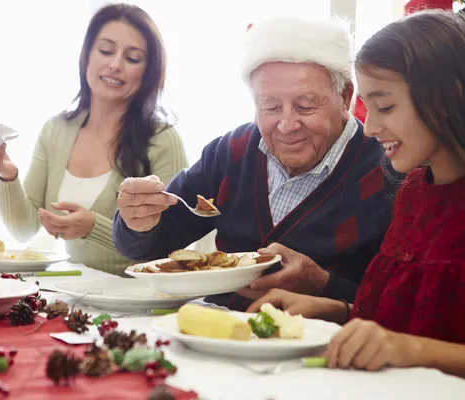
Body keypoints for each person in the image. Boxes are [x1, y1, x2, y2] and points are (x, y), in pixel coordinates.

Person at [248, 10, 465, 384]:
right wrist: (330, 310)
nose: (372, 127)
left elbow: (410, 342)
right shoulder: (412, 193)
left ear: (448, 97)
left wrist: (410, 349)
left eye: (386, 107)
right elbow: (394, 321)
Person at [112, 15, 401, 310]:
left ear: (345, 97)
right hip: (215, 331)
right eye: (270, 106)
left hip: (322, 346)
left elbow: (400, 308)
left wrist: (323, 285)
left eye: (305, 106)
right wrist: (138, 222)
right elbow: (148, 249)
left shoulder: (389, 173)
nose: (287, 124)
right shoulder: (230, 152)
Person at [0, 4, 187, 276]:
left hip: (141, 297)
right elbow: (25, 228)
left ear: (147, 72)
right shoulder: (56, 130)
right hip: (76, 290)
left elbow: (172, 246)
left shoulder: (162, 140)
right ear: (87, 54)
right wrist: (7, 175)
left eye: (132, 58)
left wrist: (94, 228)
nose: (114, 65)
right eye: (106, 50)